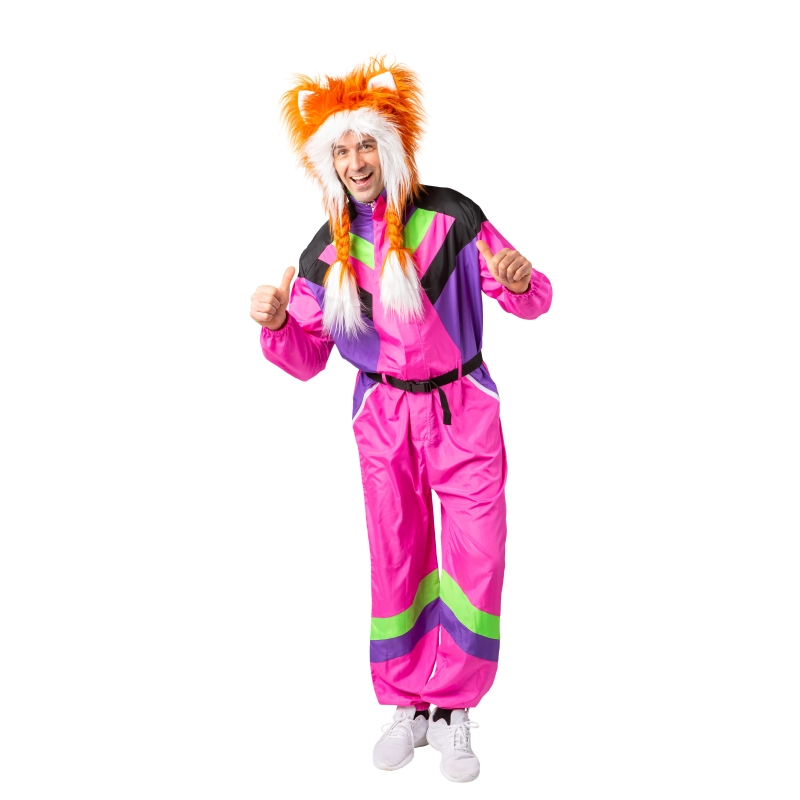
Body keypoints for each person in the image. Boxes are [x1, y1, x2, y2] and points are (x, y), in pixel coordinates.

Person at [250, 58, 552, 783]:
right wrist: (275, 325)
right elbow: (305, 358)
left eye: (366, 144)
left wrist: (522, 282)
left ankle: (455, 708)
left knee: (478, 558)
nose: (356, 162)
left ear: (390, 147)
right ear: (327, 163)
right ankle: (406, 701)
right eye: (340, 150)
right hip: (382, 416)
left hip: (463, 408)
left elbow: (529, 294)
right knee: (397, 555)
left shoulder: (452, 217)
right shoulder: (324, 254)